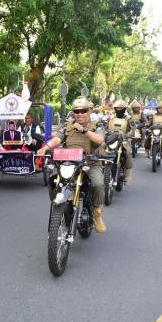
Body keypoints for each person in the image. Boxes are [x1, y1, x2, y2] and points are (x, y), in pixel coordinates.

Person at [37, 96, 108, 233]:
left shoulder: (97, 125)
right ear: (73, 112)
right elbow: (58, 138)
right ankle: (61, 207)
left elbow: (100, 140)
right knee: (53, 182)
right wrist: (45, 147)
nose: (80, 114)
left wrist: (84, 130)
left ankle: (97, 213)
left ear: (90, 111)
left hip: (90, 162)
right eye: (77, 111)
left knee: (98, 183)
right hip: (70, 163)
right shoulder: (67, 126)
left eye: (83, 110)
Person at [107, 100, 133, 185]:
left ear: (124, 109)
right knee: (101, 149)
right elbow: (106, 128)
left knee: (128, 153)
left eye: (121, 108)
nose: (119, 109)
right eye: (117, 108)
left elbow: (133, 129)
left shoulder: (128, 118)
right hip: (112, 139)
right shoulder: (111, 118)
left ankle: (128, 174)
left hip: (124, 140)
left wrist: (128, 135)